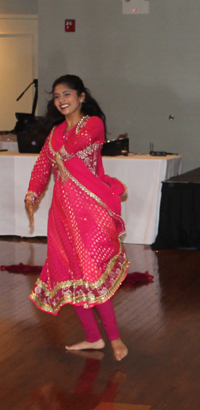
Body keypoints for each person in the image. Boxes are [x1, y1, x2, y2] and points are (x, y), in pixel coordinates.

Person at [25, 75, 129, 361]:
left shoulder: (93, 124)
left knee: (91, 272)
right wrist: (32, 195)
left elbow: (73, 147)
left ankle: (115, 338)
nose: (62, 100)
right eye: (57, 96)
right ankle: (93, 338)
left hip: (90, 211)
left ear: (81, 96)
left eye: (67, 94)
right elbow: (42, 165)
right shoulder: (56, 131)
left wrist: (55, 151)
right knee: (70, 274)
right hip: (62, 213)